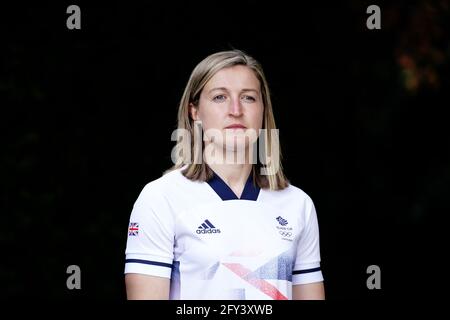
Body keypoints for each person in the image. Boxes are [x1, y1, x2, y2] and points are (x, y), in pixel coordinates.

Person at [124, 49, 325, 300]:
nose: (235, 109)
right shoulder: (161, 198)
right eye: (220, 97)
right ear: (194, 112)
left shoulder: (298, 204)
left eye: (249, 98)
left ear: (263, 109)